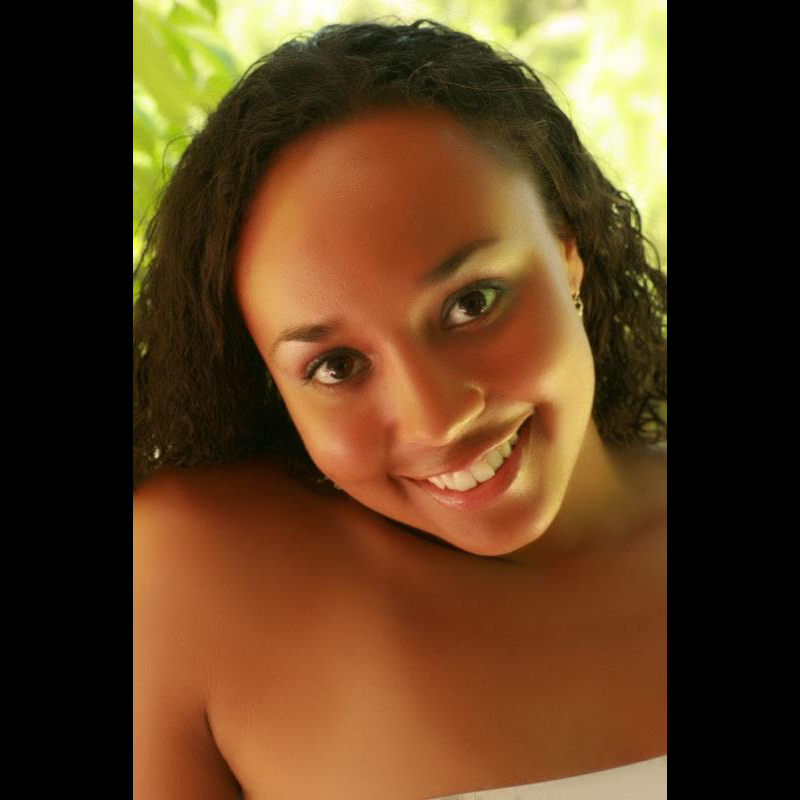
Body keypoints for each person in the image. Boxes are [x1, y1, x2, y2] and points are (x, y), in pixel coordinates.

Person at [133, 18, 666, 799]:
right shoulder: (193, 576)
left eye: (472, 303)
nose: (436, 419)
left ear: (567, 255)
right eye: (336, 366)